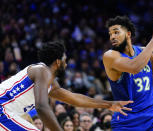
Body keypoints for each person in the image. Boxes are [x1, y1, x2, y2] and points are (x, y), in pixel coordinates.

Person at [0, 41, 133, 131]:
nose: (66, 63)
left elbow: (74, 99)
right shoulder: (42, 71)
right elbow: (42, 106)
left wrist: (109, 104)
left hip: (8, 112)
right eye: (65, 60)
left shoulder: (49, 82)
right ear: (58, 62)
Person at [103, 16, 153, 130]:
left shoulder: (145, 52)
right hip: (128, 121)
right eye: (110, 34)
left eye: (116, 32)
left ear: (128, 34)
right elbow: (135, 67)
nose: (112, 37)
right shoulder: (110, 56)